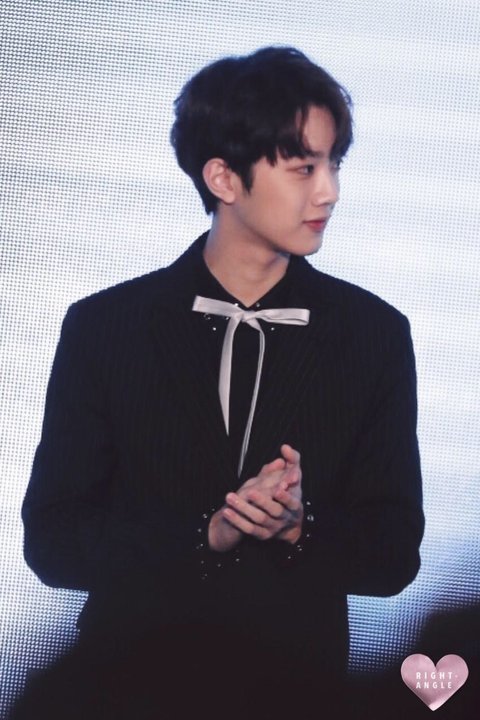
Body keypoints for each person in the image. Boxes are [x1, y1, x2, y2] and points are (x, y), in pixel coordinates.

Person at [19, 46, 424, 719]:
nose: (329, 191)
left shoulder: (372, 334)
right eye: (304, 168)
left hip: (297, 697)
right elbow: (53, 542)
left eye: (334, 165)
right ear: (224, 177)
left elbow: (394, 555)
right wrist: (205, 534)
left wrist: (298, 527)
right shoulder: (108, 326)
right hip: (124, 693)